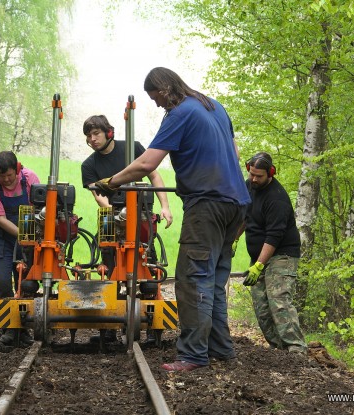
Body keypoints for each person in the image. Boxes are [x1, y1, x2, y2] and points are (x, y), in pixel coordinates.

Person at [95, 67, 250, 371]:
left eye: (157, 99)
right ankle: (220, 348)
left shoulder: (179, 113)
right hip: (238, 205)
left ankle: (193, 354)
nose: (157, 105)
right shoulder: (214, 105)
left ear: (165, 90)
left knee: (193, 279)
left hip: (208, 205)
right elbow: (234, 150)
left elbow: (147, 162)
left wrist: (111, 182)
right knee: (215, 280)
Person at [81, 114, 173, 344]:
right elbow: (99, 196)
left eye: (96, 134)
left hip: (142, 219)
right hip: (113, 221)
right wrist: (117, 214)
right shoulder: (89, 165)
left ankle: (153, 327)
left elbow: (153, 175)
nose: (92, 139)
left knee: (148, 269)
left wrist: (164, 206)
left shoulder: (133, 148)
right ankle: (109, 327)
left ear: (108, 132)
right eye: (88, 136)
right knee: (110, 272)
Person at [237, 152, 307, 354]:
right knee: (261, 306)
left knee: (278, 301)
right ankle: (278, 349)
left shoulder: (277, 199)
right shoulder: (249, 185)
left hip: (281, 254)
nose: (253, 179)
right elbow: (245, 215)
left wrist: (259, 266)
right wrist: (234, 239)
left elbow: (274, 237)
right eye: (251, 174)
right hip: (258, 255)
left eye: (259, 176)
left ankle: (296, 349)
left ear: (271, 173)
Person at [0, 150, 40, 346]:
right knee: (3, 281)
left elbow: (41, 207)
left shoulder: (30, 178)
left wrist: (31, 236)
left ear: (17, 169)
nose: (6, 180)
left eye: (9, 175)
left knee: (25, 283)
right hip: (1, 238)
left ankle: (23, 329)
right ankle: (9, 328)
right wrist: (23, 235)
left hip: (28, 235)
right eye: (2, 176)